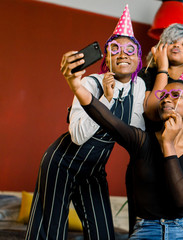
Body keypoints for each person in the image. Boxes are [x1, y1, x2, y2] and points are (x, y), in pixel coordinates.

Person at [61, 49, 183, 239]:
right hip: (146, 229)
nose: (167, 98)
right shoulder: (142, 140)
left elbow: (182, 198)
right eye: (164, 95)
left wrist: (168, 144)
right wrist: (76, 85)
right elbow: (106, 118)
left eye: (175, 95)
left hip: (182, 230)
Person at [25, 5, 145, 240]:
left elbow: (135, 133)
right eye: (115, 48)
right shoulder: (90, 83)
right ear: (107, 57)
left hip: (94, 171)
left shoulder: (138, 87)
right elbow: (78, 136)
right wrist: (105, 100)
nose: (123, 54)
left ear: (139, 59)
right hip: (61, 164)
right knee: (51, 233)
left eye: (130, 49)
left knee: (103, 235)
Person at [138, 23, 183, 134]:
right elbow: (153, 113)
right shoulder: (148, 74)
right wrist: (162, 68)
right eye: (172, 42)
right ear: (162, 48)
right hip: (148, 143)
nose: (176, 45)